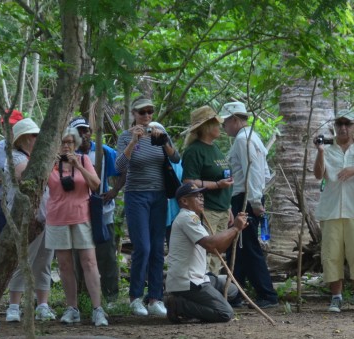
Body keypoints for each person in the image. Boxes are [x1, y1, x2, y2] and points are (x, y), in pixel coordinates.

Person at [115, 97, 180, 317]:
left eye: (150, 112)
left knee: (156, 247)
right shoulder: (125, 137)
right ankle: (134, 297)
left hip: (159, 196)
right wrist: (134, 141)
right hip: (136, 196)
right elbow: (119, 166)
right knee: (142, 247)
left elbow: (176, 158)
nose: (147, 116)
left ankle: (155, 298)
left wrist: (164, 142)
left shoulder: (160, 133)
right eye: (142, 112)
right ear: (133, 113)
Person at [312, 110, 354, 313]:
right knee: (331, 255)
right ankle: (336, 297)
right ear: (335, 126)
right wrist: (320, 152)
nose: (343, 128)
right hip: (331, 209)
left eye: (347, 124)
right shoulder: (327, 147)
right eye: (339, 124)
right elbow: (318, 175)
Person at [46, 127, 107, 327]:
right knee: (64, 264)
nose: (66, 146)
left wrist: (77, 166)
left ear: (76, 144)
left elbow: (96, 185)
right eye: (62, 142)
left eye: (70, 142)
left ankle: (98, 309)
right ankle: (72, 308)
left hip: (82, 217)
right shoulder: (49, 164)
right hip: (57, 218)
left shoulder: (83, 160)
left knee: (89, 262)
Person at [221, 101, 279, 308]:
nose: (223, 127)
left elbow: (252, 172)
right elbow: (263, 171)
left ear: (235, 120)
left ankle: (267, 294)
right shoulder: (252, 138)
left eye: (225, 122)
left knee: (248, 246)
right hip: (247, 196)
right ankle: (235, 292)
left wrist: (254, 200)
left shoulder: (243, 140)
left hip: (245, 197)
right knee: (239, 246)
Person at [164, 184, 248, 323]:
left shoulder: (192, 218)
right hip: (188, 281)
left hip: (198, 277)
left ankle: (190, 305)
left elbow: (218, 249)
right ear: (184, 201)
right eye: (197, 196)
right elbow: (210, 244)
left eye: (202, 196)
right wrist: (234, 229)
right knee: (225, 313)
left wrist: (236, 230)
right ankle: (178, 305)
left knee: (232, 289)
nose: (202, 199)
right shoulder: (187, 218)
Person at [4, 118, 57, 323]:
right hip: (25, 218)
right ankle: (14, 306)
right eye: (34, 135)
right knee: (23, 260)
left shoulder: (39, 157)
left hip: (47, 216)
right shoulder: (15, 157)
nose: (38, 139)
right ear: (24, 138)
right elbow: (24, 176)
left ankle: (42, 304)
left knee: (44, 261)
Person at [71, 115, 123, 301]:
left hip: (102, 210)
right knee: (79, 255)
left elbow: (122, 171)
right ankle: (82, 297)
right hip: (77, 211)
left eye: (86, 130)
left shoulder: (103, 151)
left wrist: (113, 191)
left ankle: (111, 298)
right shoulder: (69, 155)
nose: (83, 134)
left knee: (106, 253)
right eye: (79, 131)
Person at [181, 105, 235, 277]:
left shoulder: (216, 149)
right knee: (207, 252)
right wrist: (217, 185)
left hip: (222, 208)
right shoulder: (194, 151)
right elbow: (189, 182)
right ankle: (204, 288)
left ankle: (213, 288)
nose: (220, 127)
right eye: (216, 124)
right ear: (206, 127)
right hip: (207, 209)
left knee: (218, 255)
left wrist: (228, 207)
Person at [0, 109, 24, 248]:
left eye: (14, 126)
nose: (10, 130)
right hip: (1, 203)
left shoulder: (30, 147)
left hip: (22, 204)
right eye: (6, 126)